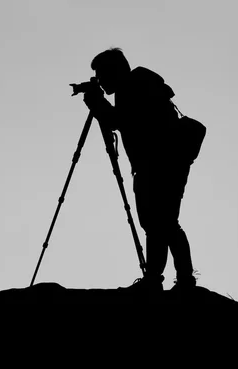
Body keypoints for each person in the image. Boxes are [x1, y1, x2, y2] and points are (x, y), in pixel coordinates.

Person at [82, 47, 196, 291]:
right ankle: (168, 277)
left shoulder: (132, 87)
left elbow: (117, 121)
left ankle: (165, 278)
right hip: (164, 163)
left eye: (102, 75)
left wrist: (95, 101)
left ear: (115, 70)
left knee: (162, 222)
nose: (100, 81)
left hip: (158, 164)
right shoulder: (140, 83)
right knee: (160, 222)